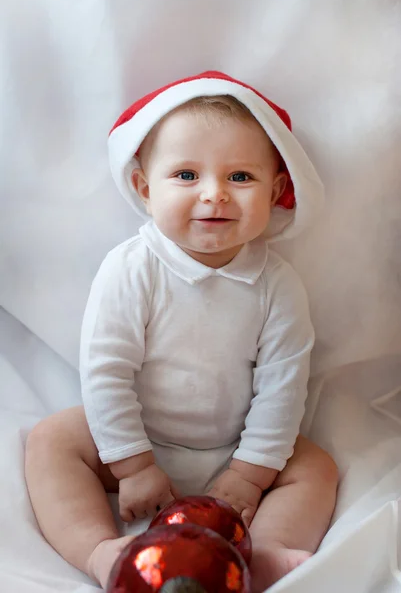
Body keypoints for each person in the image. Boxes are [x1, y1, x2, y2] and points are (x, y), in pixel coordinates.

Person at [25, 71, 338, 592]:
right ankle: (101, 552)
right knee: (51, 441)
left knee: (317, 466)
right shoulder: (132, 269)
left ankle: (265, 549)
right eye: (187, 175)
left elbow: (284, 386)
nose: (215, 195)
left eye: (240, 177)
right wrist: (133, 466)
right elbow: (106, 372)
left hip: (234, 447)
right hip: (137, 439)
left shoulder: (277, 284)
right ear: (146, 188)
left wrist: (250, 474)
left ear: (276, 190)